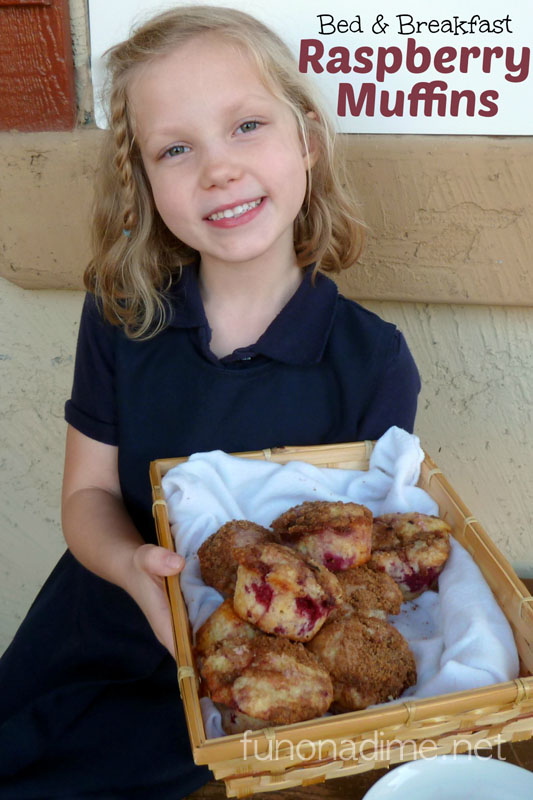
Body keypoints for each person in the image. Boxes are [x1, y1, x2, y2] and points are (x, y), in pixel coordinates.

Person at [0, 5, 420, 798]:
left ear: (306, 139)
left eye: (246, 126)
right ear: (144, 182)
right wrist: (134, 567)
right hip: (101, 627)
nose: (217, 169)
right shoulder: (122, 316)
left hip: (251, 682)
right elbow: (88, 494)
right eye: (176, 148)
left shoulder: (371, 362)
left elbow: (360, 557)